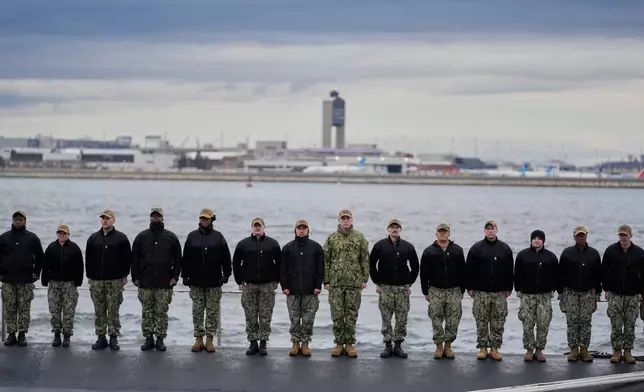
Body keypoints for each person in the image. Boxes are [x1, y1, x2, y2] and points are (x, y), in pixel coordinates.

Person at [131, 208, 182, 352]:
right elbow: (134, 259)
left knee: (161, 312)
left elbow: (178, 259)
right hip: (145, 282)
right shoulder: (141, 237)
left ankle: (160, 339)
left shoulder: (171, 237)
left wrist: (175, 277)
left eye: (158, 216)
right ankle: (148, 338)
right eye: (153, 216)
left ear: (162, 218)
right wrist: (135, 277)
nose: (155, 218)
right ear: (150, 218)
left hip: (164, 282)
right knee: (147, 312)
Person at [181, 208, 232, 353]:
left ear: (211, 220)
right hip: (196, 281)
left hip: (214, 282)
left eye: (206, 219)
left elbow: (226, 258)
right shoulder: (192, 236)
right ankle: (198, 339)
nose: (204, 221)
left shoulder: (218, 237)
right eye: (202, 218)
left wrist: (226, 275)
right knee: (197, 311)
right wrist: (184, 275)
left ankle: (209, 339)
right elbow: (186, 258)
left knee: (212, 312)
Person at [369, 218, 419, 359]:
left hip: (402, 288)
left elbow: (415, 266)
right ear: (388, 229)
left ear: (400, 230)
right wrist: (377, 282)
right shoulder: (380, 245)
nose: (394, 229)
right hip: (385, 288)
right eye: (392, 227)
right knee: (386, 317)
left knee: (402, 318)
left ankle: (398, 345)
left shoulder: (408, 247)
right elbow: (371, 264)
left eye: (397, 227)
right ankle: (387, 345)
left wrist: (409, 283)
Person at [233, 217, 282, 356]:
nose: (257, 228)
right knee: (250, 315)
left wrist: (277, 281)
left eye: (259, 226)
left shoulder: (272, 244)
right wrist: (239, 281)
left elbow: (280, 263)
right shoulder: (243, 244)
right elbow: (236, 263)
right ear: (252, 228)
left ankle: (263, 342)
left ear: (263, 227)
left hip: (267, 285)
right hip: (249, 285)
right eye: (255, 226)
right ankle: (252, 342)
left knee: (265, 315)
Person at [465, 220, 514, 361]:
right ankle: (482, 348)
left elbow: (510, 270)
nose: (490, 231)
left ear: (496, 230)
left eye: (492, 228)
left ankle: (494, 348)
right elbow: (469, 269)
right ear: (484, 231)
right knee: (481, 320)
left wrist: (509, 287)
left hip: (499, 292)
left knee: (498, 321)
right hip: (481, 292)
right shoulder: (476, 248)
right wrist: (469, 287)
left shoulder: (505, 249)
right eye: (488, 229)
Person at [323, 209, 369, 358]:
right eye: (343, 218)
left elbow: (364, 259)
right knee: (337, 314)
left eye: (347, 218)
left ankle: (349, 344)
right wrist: (327, 280)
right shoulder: (332, 238)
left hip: (354, 282)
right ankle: (338, 343)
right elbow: (326, 260)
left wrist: (364, 279)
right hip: (335, 283)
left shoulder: (360, 237)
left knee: (351, 314)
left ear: (351, 220)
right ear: (338, 220)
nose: (345, 221)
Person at [85, 209, 132, 351]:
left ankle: (113, 337)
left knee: (113, 310)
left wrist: (124, 275)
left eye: (108, 218)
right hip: (97, 281)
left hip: (114, 281)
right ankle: (101, 337)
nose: (105, 220)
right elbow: (88, 258)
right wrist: (90, 276)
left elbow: (127, 259)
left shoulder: (121, 238)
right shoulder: (93, 238)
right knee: (99, 310)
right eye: (103, 218)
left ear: (113, 220)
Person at [419, 222, 466, 359]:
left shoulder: (457, 250)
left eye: (445, 231)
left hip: (454, 290)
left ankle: (448, 346)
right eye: (440, 231)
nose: (442, 233)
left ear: (449, 234)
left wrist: (462, 289)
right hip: (435, 290)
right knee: (436, 318)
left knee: (453, 319)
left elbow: (463, 271)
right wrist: (425, 292)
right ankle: (439, 346)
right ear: (436, 233)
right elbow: (423, 273)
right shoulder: (429, 251)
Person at [557, 225, 602, 362]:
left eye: (582, 235)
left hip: (588, 293)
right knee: (572, 322)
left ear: (586, 236)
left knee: (586, 322)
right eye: (578, 235)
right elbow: (560, 274)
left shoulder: (594, 254)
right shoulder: (567, 253)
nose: (580, 237)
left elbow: (598, 274)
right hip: (570, 293)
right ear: (574, 237)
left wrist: (598, 292)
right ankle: (573, 349)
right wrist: (560, 291)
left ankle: (584, 349)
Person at [280, 219, 324, 356]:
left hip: (310, 291)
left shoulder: (316, 247)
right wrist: (284, 286)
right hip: (292, 291)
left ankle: (305, 344)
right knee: (294, 318)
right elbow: (282, 269)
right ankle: (295, 343)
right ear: (295, 230)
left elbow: (320, 268)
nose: (301, 230)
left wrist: (318, 285)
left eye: (304, 228)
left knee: (308, 319)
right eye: (299, 228)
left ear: (308, 230)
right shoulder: (287, 248)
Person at [601, 224, 644, 364]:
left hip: (632, 295)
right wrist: (606, 289)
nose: (623, 238)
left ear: (631, 235)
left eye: (625, 235)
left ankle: (628, 351)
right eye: (621, 235)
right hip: (615, 294)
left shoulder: (639, 252)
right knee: (616, 324)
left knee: (630, 324)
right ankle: (616, 351)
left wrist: (640, 292)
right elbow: (604, 271)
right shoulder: (611, 251)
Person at [0, 210, 44, 347]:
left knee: (24, 308)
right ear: (12, 221)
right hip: (8, 280)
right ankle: (11, 334)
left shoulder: (32, 238)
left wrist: (36, 272)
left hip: (25, 280)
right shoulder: (4, 238)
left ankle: (22, 334)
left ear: (25, 221)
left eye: (20, 219)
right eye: (16, 220)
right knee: (10, 308)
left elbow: (40, 257)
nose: (18, 222)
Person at [514, 229, 558, 362]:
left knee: (543, 323)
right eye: (534, 238)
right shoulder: (523, 255)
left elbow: (556, 274)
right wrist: (518, 288)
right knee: (527, 323)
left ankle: (539, 350)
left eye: (539, 238)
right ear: (531, 240)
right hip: (527, 295)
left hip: (544, 295)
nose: (537, 240)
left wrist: (554, 289)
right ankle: (529, 349)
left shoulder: (550, 256)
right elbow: (517, 273)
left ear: (543, 240)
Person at [42, 224, 84, 347]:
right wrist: (44, 280)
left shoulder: (74, 248)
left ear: (68, 235)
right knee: (54, 311)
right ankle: (56, 335)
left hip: (69, 284)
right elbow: (45, 265)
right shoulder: (51, 247)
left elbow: (80, 266)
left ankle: (67, 336)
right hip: (54, 283)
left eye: (64, 233)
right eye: (60, 233)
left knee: (69, 311)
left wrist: (78, 282)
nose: (62, 235)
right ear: (57, 234)